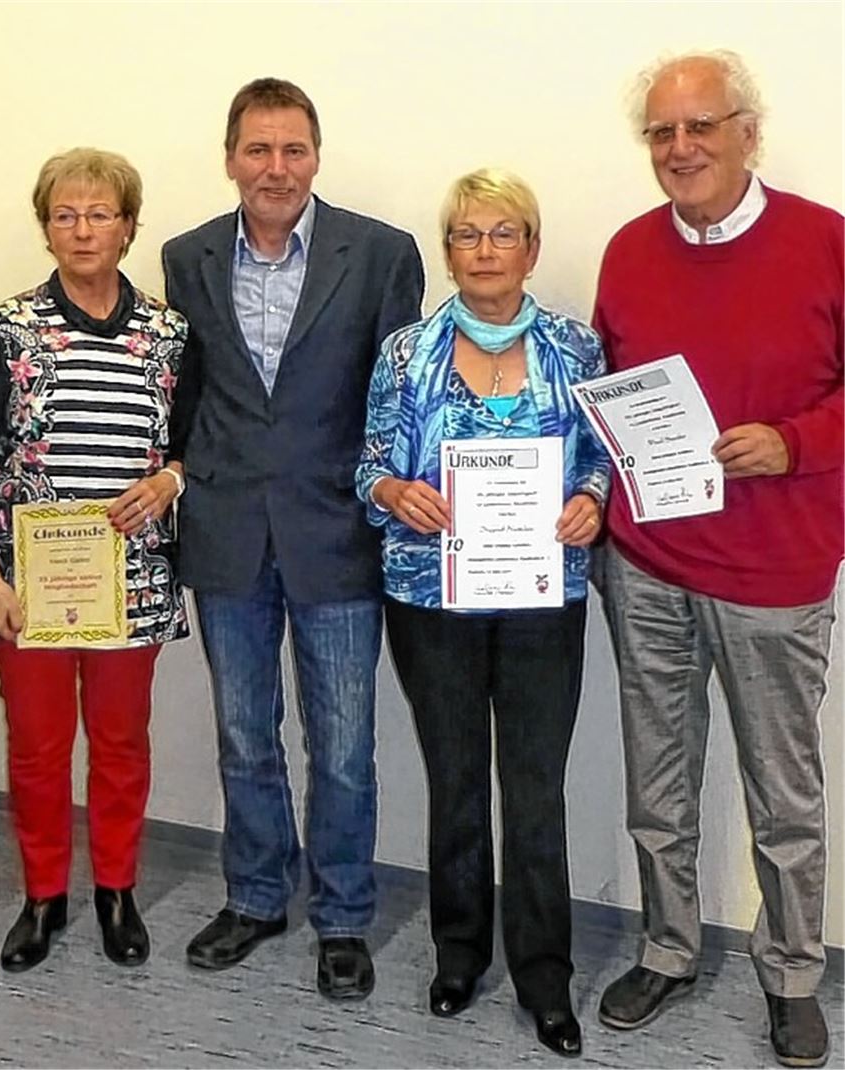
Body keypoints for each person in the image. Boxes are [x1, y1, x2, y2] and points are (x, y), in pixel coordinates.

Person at [593, 50, 842, 1070]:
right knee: (659, 782)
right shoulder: (627, 250)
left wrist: (796, 442)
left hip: (774, 573)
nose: (680, 148)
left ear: (749, 130)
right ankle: (668, 946)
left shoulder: (827, 243)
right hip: (647, 564)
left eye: (701, 126)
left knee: (783, 795)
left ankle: (789, 972)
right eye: (662, 132)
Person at [161, 77, 423, 1000]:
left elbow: (400, 405)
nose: (277, 169)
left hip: (338, 530)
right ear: (230, 156)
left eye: (294, 150)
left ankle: (344, 914)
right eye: (258, 150)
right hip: (228, 530)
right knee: (243, 734)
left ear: (317, 155)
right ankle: (256, 896)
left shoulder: (382, 253)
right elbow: (185, 398)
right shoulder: (185, 256)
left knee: (344, 742)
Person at [355, 168, 610, 1055]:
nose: (486, 250)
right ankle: (457, 954)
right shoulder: (404, 354)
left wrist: (590, 500)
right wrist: (394, 490)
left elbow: (603, 460)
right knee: (457, 781)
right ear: (448, 249)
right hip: (432, 599)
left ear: (532, 248)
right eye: (468, 234)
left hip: (544, 599)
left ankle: (546, 977)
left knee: (534, 791)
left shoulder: (577, 351)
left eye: (505, 233)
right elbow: (367, 467)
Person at [0, 148, 188, 974]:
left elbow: (196, 445)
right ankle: (44, 895)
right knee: (38, 746)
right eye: (65, 214)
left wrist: (169, 478)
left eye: (100, 213)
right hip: (24, 586)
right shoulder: (12, 325)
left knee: (123, 743)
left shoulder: (168, 334)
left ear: (129, 225)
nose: (83, 228)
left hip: (131, 585)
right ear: (46, 226)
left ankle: (117, 891)